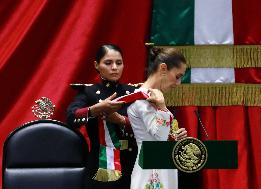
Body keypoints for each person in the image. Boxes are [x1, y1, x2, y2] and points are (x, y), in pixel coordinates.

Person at [66, 44, 137, 189]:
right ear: (96, 65)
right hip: (100, 164)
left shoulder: (133, 92)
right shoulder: (89, 92)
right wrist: (95, 109)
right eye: (108, 63)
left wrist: (121, 120)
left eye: (119, 63)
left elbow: (147, 124)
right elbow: (71, 117)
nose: (115, 67)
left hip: (132, 163)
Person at [127, 47, 188, 189]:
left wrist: (174, 137)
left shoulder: (153, 97)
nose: (178, 83)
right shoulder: (141, 100)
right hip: (150, 168)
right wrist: (161, 106)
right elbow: (159, 135)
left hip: (164, 165)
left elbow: (163, 137)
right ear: (163, 68)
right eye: (177, 76)